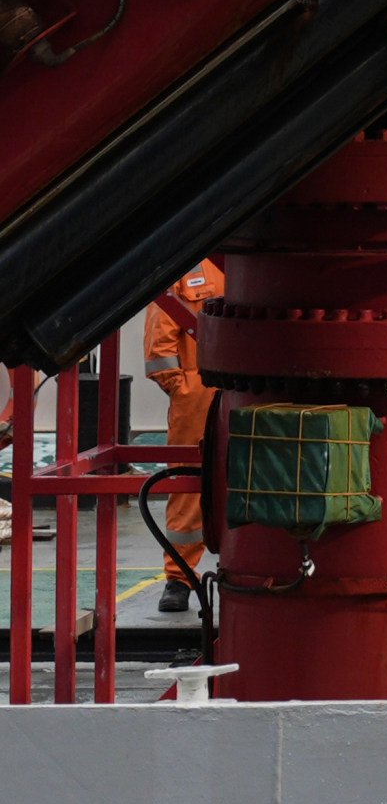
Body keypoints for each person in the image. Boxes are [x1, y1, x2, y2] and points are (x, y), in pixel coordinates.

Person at [141, 261, 223, 622]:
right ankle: (179, 579)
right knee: (188, 484)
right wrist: (183, 388)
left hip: (253, 385)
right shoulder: (186, 264)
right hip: (197, 393)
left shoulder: (253, 256)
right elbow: (161, 338)